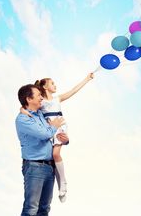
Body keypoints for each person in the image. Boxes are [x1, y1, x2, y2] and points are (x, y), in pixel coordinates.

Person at [16, 84, 68, 216]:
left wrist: (64, 139)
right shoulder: (23, 120)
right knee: (30, 210)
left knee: (44, 209)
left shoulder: (36, 114)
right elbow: (44, 133)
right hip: (34, 168)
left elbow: (53, 134)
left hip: (48, 167)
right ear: (28, 99)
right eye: (38, 96)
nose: (41, 98)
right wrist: (53, 126)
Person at [22, 73, 94, 202]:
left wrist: (87, 79)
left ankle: (63, 184)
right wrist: (23, 110)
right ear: (44, 86)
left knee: (56, 154)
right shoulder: (40, 101)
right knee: (51, 159)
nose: (55, 85)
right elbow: (26, 107)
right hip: (48, 128)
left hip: (60, 125)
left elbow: (73, 91)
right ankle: (59, 186)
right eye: (52, 83)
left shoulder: (57, 99)